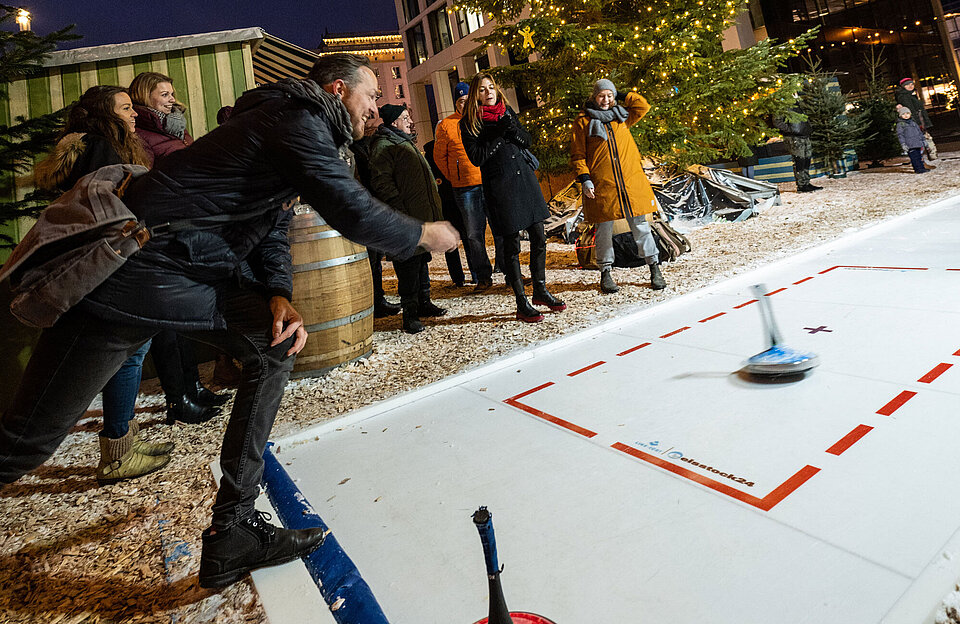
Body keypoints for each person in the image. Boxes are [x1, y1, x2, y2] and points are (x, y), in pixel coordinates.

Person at [0, 53, 459, 588]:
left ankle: (233, 530)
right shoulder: (296, 121)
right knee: (27, 441)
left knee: (275, 344)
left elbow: (268, 223)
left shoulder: (290, 122)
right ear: (338, 89)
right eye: (371, 96)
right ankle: (233, 530)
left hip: (174, 273)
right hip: (134, 277)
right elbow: (349, 208)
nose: (375, 109)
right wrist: (423, 235)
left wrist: (278, 293)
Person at [33, 85, 175, 484]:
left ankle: (123, 442)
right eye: (126, 108)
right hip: (110, 263)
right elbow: (108, 209)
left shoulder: (100, 145)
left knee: (130, 350)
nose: (134, 114)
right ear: (105, 115)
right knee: (127, 351)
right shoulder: (100, 148)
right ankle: (117, 452)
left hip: (106, 262)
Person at [129, 71, 227, 424]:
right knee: (167, 322)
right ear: (145, 97)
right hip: (162, 232)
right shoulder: (140, 136)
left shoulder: (175, 130)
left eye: (173, 92)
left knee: (183, 316)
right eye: (163, 93)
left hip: (188, 227)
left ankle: (193, 386)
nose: (172, 99)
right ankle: (177, 399)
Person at [460, 73, 565, 323]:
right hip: (501, 186)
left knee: (539, 236)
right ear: (477, 95)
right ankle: (521, 301)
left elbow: (526, 140)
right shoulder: (469, 123)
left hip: (524, 181)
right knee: (511, 245)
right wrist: (499, 134)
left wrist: (509, 127)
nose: (489, 92)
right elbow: (477, 157)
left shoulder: (506, 111)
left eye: (491, 87)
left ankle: (539, 290)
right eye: (483, 90)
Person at [571, 78, 666, 294]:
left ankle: (654, 268)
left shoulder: (622, 117)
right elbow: (578, 154)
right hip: (603, 185)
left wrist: (620, 93)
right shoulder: (583, 121)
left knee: (641, 226)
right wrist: (585, 178)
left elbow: (642, 105)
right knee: (604, 230)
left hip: (630, 183)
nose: (605, 100)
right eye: (601, 95)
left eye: (609, 96)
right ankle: (605, 272)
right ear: (594, 97)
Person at [368, 103, 446, 334]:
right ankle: (410, 314)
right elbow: (382, 184)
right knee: (408, 267)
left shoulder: (402, 142)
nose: (410, 121)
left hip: (418, 217)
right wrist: (401, 211)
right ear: (394, 123)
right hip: (405, 220)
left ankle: (424, 302)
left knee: (421, 261)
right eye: (405, 117)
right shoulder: (385, 146)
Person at [434, 81, 496, 291]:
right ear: (455, 103)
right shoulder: (446, 125)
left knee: (500, 228)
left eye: (467, 100)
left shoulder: (482, 118)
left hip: (488, 181)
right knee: (473, 234)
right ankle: (482, 276)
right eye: (460, 101)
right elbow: (439, 156)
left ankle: (506, 270)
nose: (464, 105)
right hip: (465, 187)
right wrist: (454, 176)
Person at [352, 114, 402, 317]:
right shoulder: (354, 148)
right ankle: (373, 301)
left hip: (372, 208)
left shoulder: (367, 145)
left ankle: (377, 299)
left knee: (375, 260)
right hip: (363, 210)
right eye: (368, 119)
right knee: (369, 260)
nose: (371, 123)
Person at [424, 137, 469, 287]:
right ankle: (460, 277)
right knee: (452, 242)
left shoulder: (452, 146)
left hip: (453, 197)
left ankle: (466, 276)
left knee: (465, 239)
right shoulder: (431, 151)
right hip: (448, 199)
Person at [773, 100, 821, 194]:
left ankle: (806, 182)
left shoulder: (797, 102)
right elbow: (777, 121)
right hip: (794, 137)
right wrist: (790, 130)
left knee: (807, 159)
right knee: (799, 160)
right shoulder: (780, 104)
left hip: (804, 135)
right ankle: (801, 185)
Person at [896, 77, 936, 161]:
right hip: (916, 122)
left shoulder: (910, 94)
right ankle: (924, 159)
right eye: (907, 85)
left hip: (919, 120)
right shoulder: (904, 96)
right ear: (903, 86)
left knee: (925, 138)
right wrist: (917, 124)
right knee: (922, 139)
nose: (910, 86)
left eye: (912, 84)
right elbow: (910, 111)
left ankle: (929, 157)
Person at [896, 107, 928, 174]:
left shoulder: (913, 123)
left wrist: (923, 140)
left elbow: (919, 132)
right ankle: (918, 169)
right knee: (914, 158)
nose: (906, 115)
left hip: (917, 143)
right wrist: (903, 144)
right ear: (900, 115)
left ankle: (922, 168)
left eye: (907, 113)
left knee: (919, 157)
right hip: (910, 144)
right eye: (903, 114)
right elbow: (900, 135)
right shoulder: (900, 124)